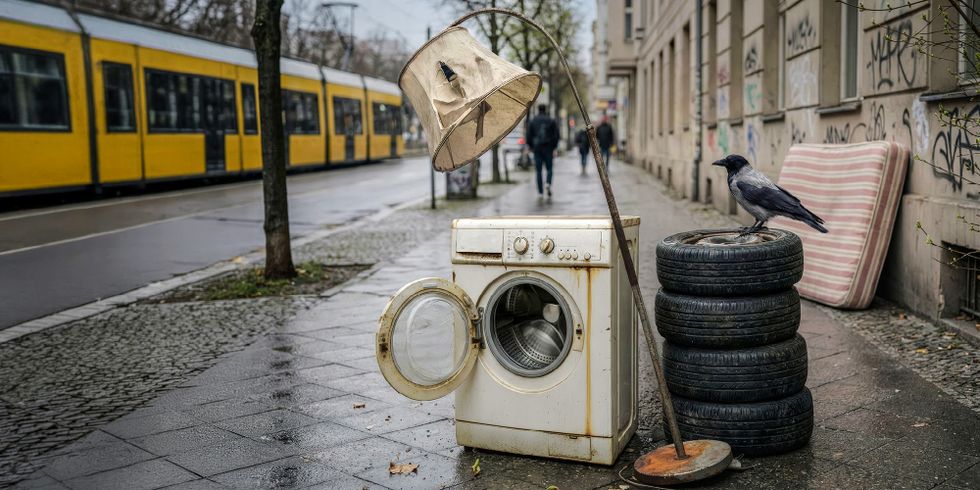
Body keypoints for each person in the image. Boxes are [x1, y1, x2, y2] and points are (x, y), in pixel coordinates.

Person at [526, 104, 560, 198]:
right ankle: (548, 183)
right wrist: (555, 147)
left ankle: (540, 192)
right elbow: (556, 135)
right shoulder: (551, 120)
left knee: (538, 171)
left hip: (537, 148)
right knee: (549, 168)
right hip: (548, 148)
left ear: (538, 109)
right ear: (545, 109)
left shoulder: (533, 121)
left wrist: (530, 146)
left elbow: (529, 135)